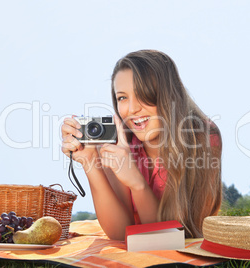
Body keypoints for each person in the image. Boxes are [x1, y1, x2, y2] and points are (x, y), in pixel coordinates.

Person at [61, 50, 222, 240]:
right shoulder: (120, 142)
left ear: (169, 95)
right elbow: (120, 234)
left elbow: (168, 238)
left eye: (143, 94)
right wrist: (90, 162)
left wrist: (137, 183)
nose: (132, 109)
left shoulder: (203, 138)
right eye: (122, 97)